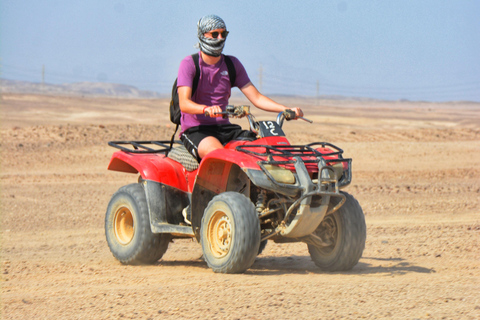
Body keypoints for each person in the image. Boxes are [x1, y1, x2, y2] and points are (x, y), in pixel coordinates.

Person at [177, 14, 303, 161]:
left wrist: (286, 109)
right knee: (219, 155)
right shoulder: (189, 64)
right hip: (197, 130)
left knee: (260, 149)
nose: (220, 38)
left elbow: (256, 98)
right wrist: (206, 109)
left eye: (223, 34)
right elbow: (184, 104)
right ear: (202, 35)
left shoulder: (232, 64)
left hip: (225, 128)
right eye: (215, 34)